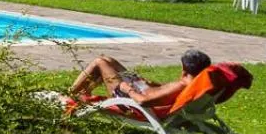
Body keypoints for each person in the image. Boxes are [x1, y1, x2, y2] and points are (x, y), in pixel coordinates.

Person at [69, 49, 213, 107]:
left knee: (100, 62)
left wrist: (128, 89)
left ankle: (70, 94)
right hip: (142, 88)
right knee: (108, 60)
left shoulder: (181, 85)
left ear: (184, 68)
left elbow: (143, 101)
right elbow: (164, 93)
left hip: (131, 100)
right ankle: (81, 93)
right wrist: (151, 84)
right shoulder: (194, 83)